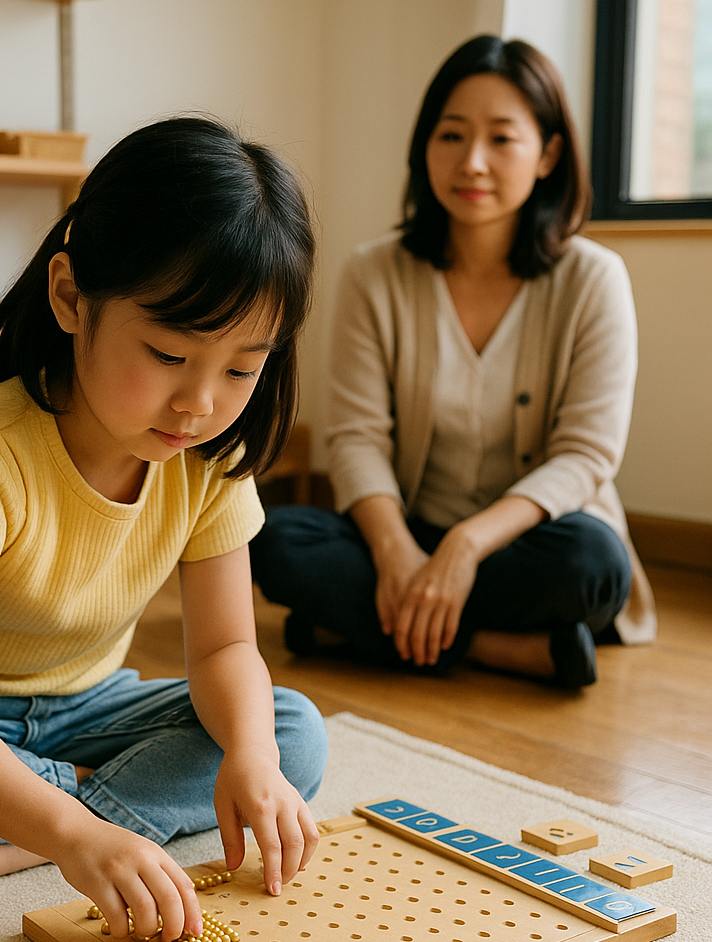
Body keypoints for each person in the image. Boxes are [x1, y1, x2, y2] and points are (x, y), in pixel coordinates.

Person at [0, 117, 327, 942]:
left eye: (242, 369)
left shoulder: (210, 457)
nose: (201, 403)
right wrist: (80, 835)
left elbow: (224, 652)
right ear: (72, 296)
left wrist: (250, 754)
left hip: (90, 704)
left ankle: (10, 838)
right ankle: (70, 820)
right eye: (168, 355)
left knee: (288, 736)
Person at [250, 36, 657, 690]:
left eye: (502, 139)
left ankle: (346, 630)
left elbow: (586, 457)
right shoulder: (371, 273)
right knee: (272, 537)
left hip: (526, 542)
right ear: (425, 147)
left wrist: (465, 548)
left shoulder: (595, 279)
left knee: (594, 563)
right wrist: (396, 553)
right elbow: (355, 437)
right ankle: (514, 650)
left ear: (549, 154)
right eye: (452, 135)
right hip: (406, 530)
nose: (472, 162)